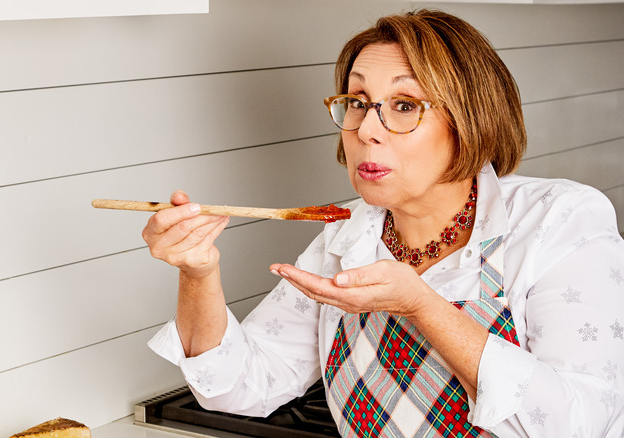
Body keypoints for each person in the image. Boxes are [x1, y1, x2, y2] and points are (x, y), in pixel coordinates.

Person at [143, 9, 624, 437]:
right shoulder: (349, 232)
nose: (366, 130)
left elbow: (578, 423)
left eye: (405, 105)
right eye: (357, 101)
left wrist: (420, 306)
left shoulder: (557, 220)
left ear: (471, 119)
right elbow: (240, 388)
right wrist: (198, 273)